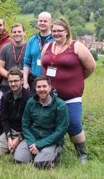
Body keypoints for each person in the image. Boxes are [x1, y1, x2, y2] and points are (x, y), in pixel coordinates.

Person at [41, 18, 96, 163]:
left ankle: (82, 154)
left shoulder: (76, 46)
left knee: (73, 123)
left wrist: (77, 79)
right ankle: (56, 150)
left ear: (66, 32)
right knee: (50, 124)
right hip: (50, 96)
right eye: (54, 31)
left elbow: (91, 67)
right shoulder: (47, 46)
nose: (56, 33)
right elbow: (44, 67)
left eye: (60, 31)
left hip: (71, 96)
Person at [14, 76, 69, 169]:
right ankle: (35, 154)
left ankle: (53, 154)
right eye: (39, 87)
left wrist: (39, 145)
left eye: (44, 86)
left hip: (51, 140)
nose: (42, 89)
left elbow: (61, 130)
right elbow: (25, 125)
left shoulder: (60, 105)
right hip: (33, 138)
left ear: (50, 87)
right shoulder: (31, 102)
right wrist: (32, 143)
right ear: (35, 88)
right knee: (19, 161)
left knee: (41, 164)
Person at [0, 68, 31, 156]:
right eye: (10, 81)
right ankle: (10, 145)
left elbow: (31, 122)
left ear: (22, 81)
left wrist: (19, 138)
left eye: (16, 81)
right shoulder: (5, 97)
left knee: (17, 154)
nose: (13, 84)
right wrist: (9, 137)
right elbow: (4, 119)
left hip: (25, 132)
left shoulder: (29, 98)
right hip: (11, 131)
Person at [23, 12, 53, 92]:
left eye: (45, 21)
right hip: (34, 80)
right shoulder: (32, 40)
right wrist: (25, 82)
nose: (42, 23)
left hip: (51, 80)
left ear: (50, 23)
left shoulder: (55, 39)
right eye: (40, 21)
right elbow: (26, 62)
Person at [0, 23, 26, 92]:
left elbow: (34, 67)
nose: (17, 34)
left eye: (19, 31)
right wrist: (11, 77)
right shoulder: (5, 48)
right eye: (14, 32)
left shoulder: (30, 48)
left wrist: (23, 74)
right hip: (7, 84)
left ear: (24, 33)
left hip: (24, 83)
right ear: (11, 34)